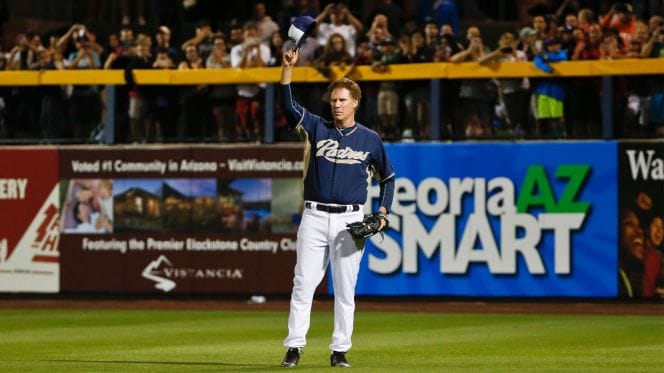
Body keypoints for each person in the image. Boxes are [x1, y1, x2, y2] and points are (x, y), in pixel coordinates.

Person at [279, 47, 395, 368]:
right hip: (314, 216)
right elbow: (288, 106)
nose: (337, 104)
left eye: (343, 100)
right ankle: (294, 347)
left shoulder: (370, 139)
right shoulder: (318, 127)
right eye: (333, 100)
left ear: (355, 102)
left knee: (345, 289)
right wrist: (287, 69)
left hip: (350, 220)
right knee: (303, 283)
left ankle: (340, 350)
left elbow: (389, 178)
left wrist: (383, 214)